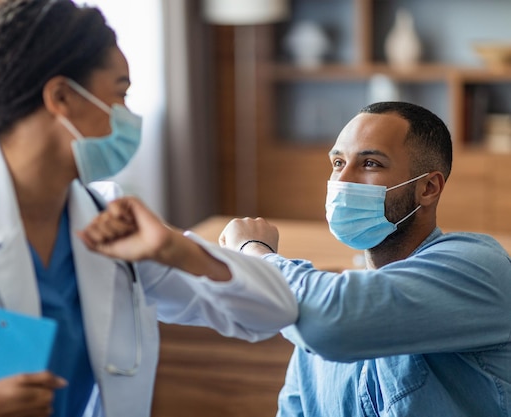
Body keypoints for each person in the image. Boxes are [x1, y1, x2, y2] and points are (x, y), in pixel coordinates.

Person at [0, 1, 299, 416]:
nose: (128, 116)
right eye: (120, 93)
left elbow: (273, 311)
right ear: (62, 97)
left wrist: (178, 250)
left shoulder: (108, 222)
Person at [219, 101, 511, 417]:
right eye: (337, 162)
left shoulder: (479, 267)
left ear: (427, 188)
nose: (342, 181)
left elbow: (331, 322)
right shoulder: (316, 300)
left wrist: (253, 251)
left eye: (370, 163)